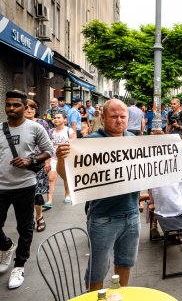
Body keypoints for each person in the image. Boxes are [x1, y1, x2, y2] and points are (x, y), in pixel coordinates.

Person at [56, 99, 141, 291]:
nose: (119, 121)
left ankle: (120, 296)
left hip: (132, 214)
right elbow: (68, 177)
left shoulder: (134, 140)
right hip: (103, 218)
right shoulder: (90, 142)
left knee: (126, 263)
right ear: (103, 117)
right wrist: (61, 159)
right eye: (114, 116)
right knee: (97, 270)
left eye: (122, 117)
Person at [0, 90, 53, 289]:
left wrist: (30, 160)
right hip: (1, 186)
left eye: (16, 105)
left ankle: (19, 266)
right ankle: (6, 246)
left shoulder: (35, 128)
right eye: (8, 105)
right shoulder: (0, 129)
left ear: (25, 107)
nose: (11, 108)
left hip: (25, 185)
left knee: (25, 228)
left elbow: (49, 151)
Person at [23, 100, 52, 232]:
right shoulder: (18, 123)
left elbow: (48, 144)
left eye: (33, 108)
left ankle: (39, 217)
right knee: (24, 194)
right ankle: (28, 219)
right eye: (27, 108)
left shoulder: (42, 123)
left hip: (38, 163)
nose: (30, 110)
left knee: (37, 192)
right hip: (21, 164)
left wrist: (47, 161)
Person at [44, 112, 76, 209]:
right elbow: (47, 146)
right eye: (54, 118)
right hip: (53, 158)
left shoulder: (69, 131)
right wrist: (47, 161)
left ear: (64, 120)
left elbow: (74, 145)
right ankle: (49, 200)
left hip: (65, 158)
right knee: (51, 178)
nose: (56, 119)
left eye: (58, 117)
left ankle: (67, 194)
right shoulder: (50, 131)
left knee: (66, 178)